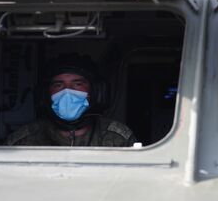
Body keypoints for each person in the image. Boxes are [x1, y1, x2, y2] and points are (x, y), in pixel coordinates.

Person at [7, 54, 136, 147]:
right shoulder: (24, 140)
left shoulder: (117, 138)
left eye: (77, 84)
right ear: (45, 94)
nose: (67, 91)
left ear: (94, 92)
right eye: (58, 85)